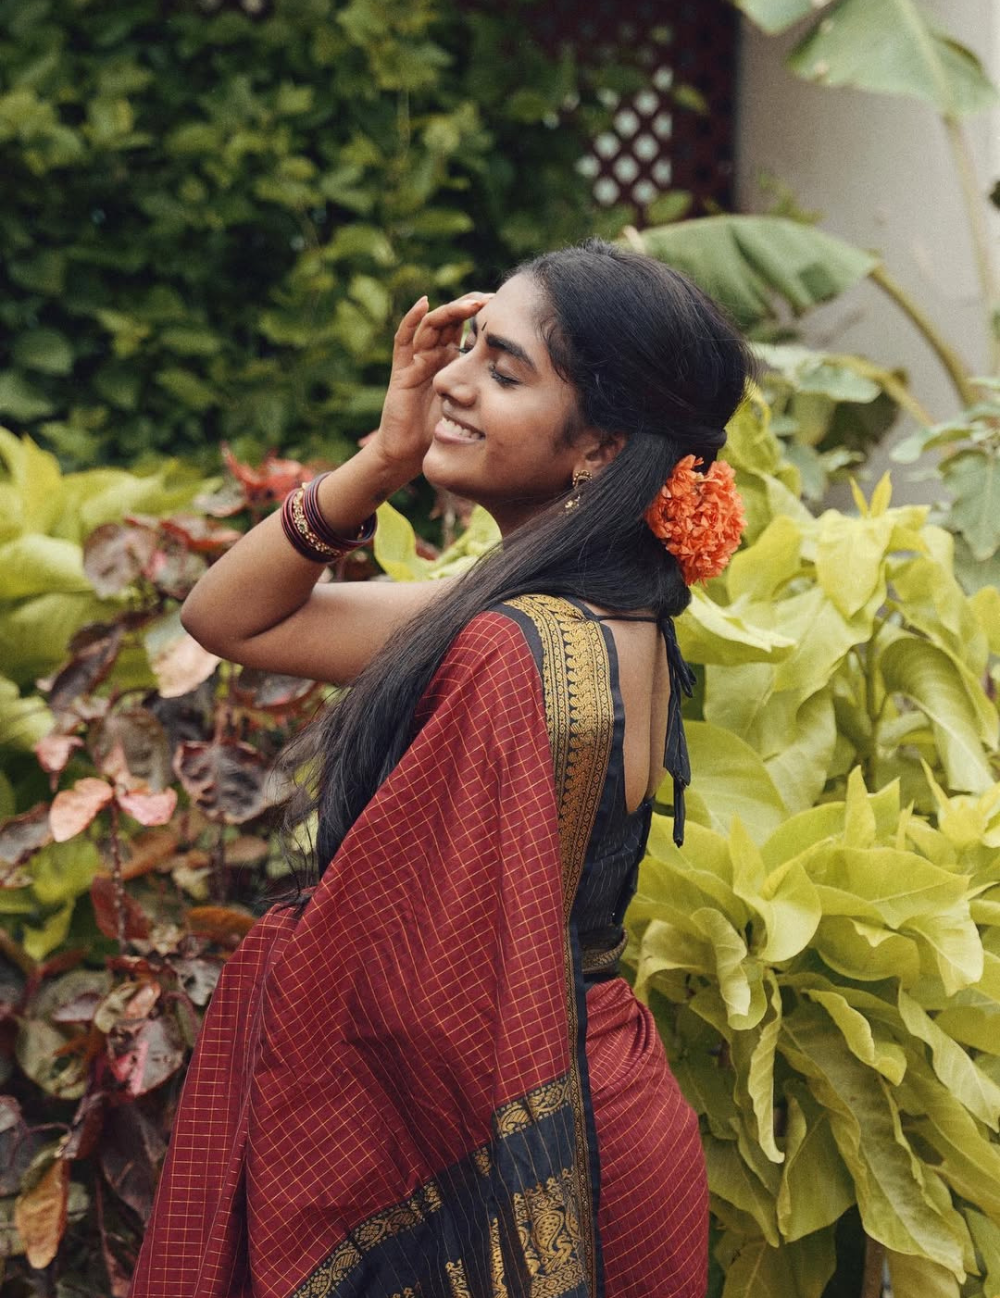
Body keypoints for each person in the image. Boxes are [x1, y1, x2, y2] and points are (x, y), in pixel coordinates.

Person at [130, 238, 752, 1298]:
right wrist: (383, 457)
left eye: (502, 371)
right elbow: (226, 619)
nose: (451, 381)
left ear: (600, 446)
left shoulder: (516, 649)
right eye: (468, 347)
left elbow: (420, 981)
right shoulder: (586, 615)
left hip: (516, 1143)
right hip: (584, 1101)